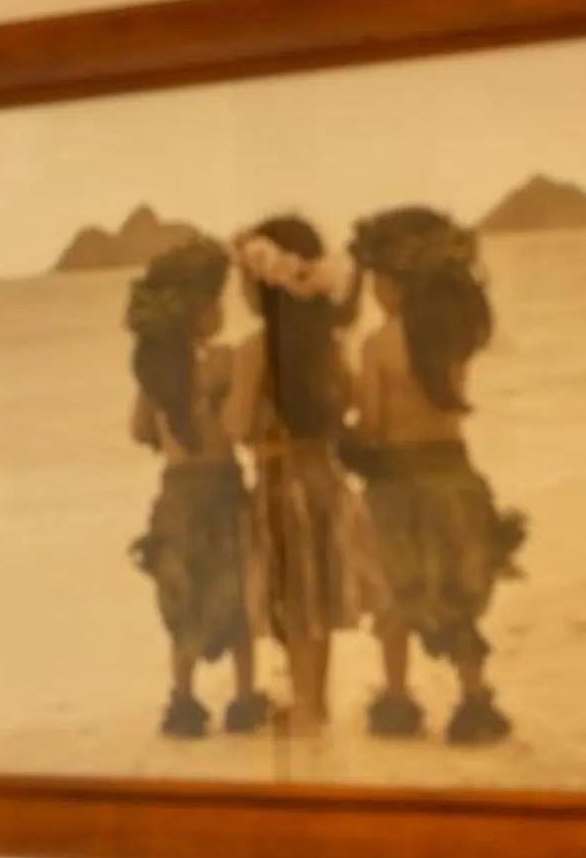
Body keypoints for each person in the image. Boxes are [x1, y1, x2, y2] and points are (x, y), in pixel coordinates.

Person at [343, 206, 527, 745]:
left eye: (378, 280)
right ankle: (474, 699)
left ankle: (398, 700)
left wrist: (343, 429)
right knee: (456, 591)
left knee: (399, 594)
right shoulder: (449, 339)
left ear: (396, 283)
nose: (375, 291)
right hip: (455, 475)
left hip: (399, 485)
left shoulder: (378, 345)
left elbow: (373, 427)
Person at [226, 214, 382, 734]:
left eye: (245, 281)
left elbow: (235, 425)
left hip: (278, 486)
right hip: (324, 481)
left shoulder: (254, 351)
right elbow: (353, 402)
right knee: (317, 598)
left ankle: (307, 706)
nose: (241, 291)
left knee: (294, 605)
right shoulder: (327, 347)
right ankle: (314, 701)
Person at [125, 238, 265, 739]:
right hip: (223, 490)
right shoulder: (224, 362)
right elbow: (233, 429)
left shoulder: (155, 374)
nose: (222, 310)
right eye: (216, 301)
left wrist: (170, 431)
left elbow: (139, 430)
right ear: (198, 311)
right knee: (239, 595)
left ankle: (184, 701)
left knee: (183, 598)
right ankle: (245, 698)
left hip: (176, 495)